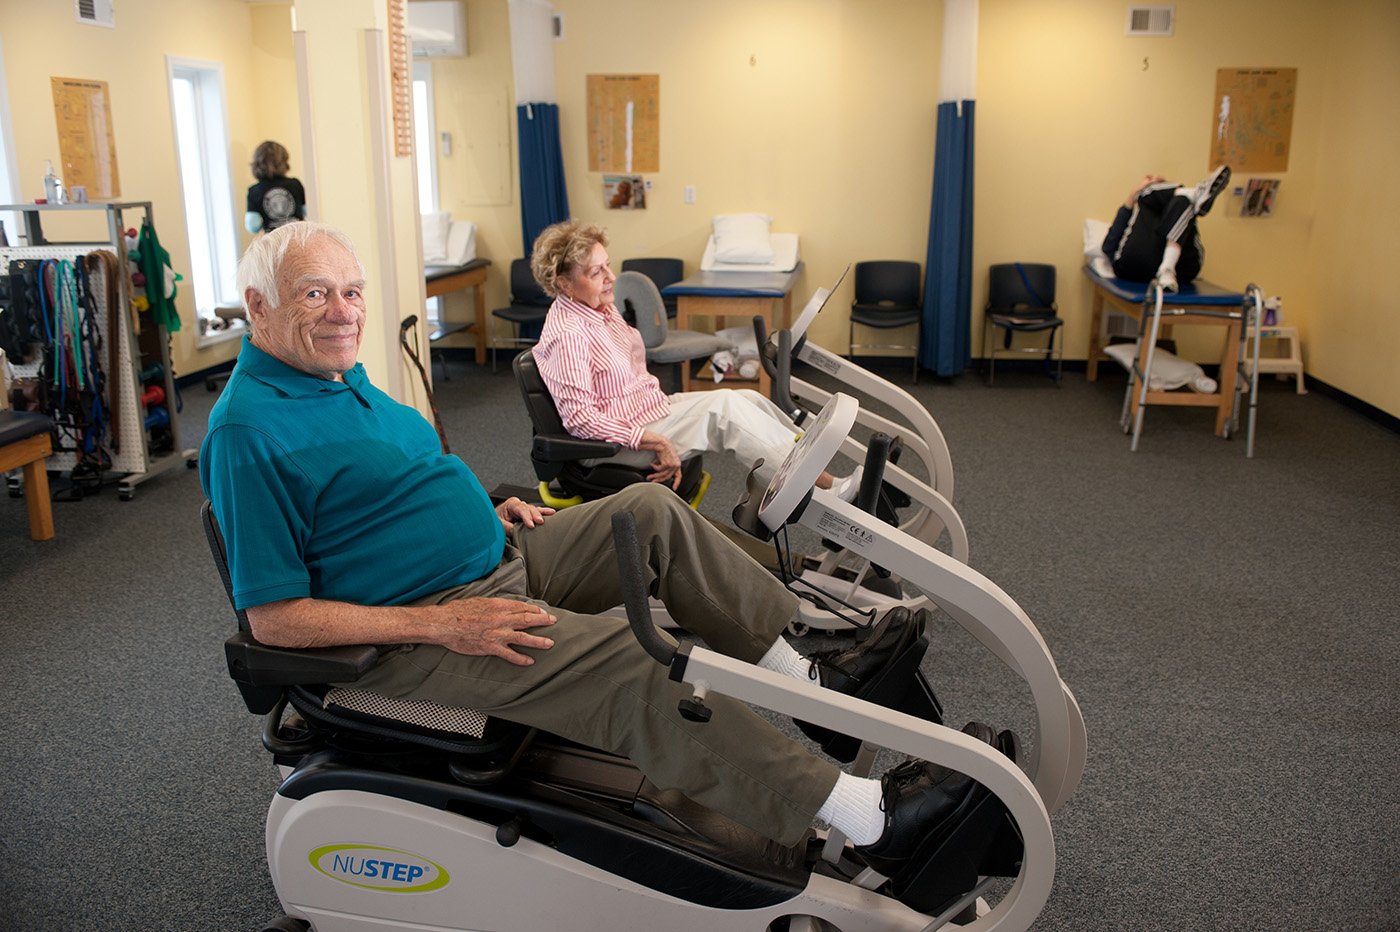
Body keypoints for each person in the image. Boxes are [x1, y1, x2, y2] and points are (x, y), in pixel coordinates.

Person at [199, 221, 1007, 873]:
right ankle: (872, 824)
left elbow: (391, 488)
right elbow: (272, 619)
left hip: (500, 555)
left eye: (351, 291)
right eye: (316, 293)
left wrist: (487, 503)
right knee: (635, 661)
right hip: (424, 624)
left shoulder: (338, 378)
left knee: (647, 510)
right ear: (258, 305)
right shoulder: (247, 430)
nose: (344, 310)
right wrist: (446, 626)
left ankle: (815, 678)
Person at [531, 220, 860, 497]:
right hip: (615, 444)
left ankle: (816, 468)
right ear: (564, 283)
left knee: (744, 397)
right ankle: (824, 491)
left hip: (645, 413)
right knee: (725, 412)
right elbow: (580, 421)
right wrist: (654, 440)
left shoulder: (600, 309)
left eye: (607, 265)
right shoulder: (568, 334)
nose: (611, 277)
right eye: (595, 272)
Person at [1102, 165, 1231, 292]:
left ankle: (1167, 269)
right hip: (1143, 266)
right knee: (1177, 199)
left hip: (1179, 268)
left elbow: (1108, 246)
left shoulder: (1177, 207)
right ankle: (1195, 194)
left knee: (1179, 201)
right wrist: (1135, 194)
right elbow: (1108, 246)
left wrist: (1140, 191)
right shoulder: (1145, 208)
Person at [245, 140, 307, 235]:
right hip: (299, 236)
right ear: (284, 162)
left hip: (274, 242)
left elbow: (253, 225)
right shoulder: (295, 184)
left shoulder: (254, 190)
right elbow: (306, 211)